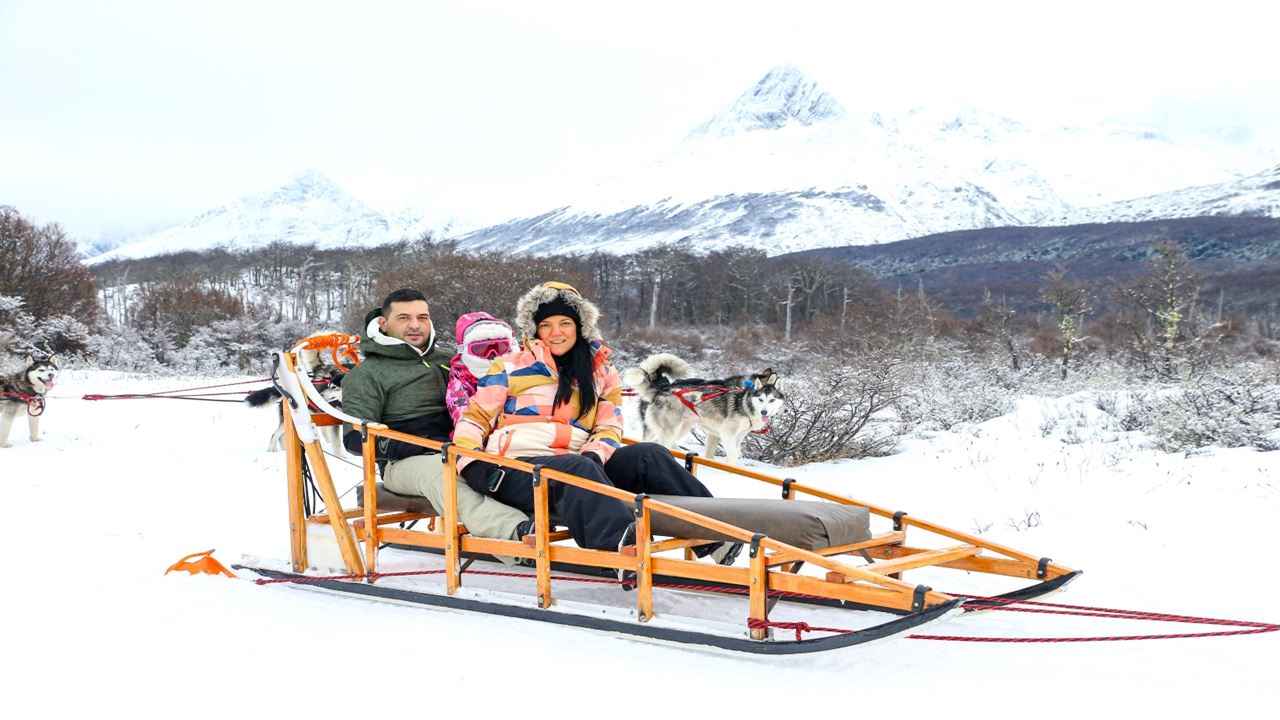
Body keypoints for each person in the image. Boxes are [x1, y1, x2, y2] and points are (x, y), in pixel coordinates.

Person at [452, 281, 742, 566]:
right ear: (535, 329)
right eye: (546, 325)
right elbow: (475, 417)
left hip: (581, 464)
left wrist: (595, 453)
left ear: (580, 326)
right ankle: (621, 550)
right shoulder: (508, 366)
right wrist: (472, 463)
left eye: (565, 323)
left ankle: (716, 535)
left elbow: (609, 425)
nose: (556, 332)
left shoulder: (601, 371)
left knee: (649, 454)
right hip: (519, 469)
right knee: (578, 468)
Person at [340, 289, 532, 558]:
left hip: (463, 445)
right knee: (442, 473)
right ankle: (518, 533)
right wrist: (417, 444)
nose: (415, 325)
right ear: (384, 323)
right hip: (405, 462)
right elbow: (355, 438)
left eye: (422, 317)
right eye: (404, 318)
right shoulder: (367, 374)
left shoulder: (448, 360)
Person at [445, 312, 518, 426]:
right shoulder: (461, 375)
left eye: (500, 347)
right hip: (483, 430)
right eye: (481, 349)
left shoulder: (521, 366)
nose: (492, 355)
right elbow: (461, 410)